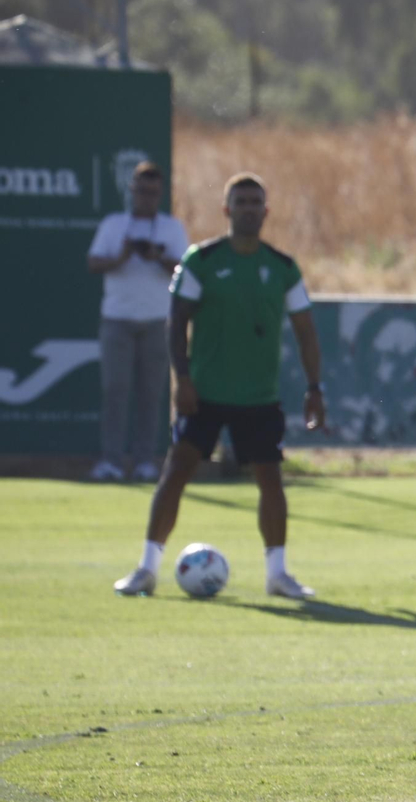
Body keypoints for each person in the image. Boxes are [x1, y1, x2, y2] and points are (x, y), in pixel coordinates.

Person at [113, 173, 324, 600]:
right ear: (226, 210)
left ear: (266, 212)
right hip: (205, 393)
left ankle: (278, 574)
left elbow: (306, 331)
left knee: (270, 480)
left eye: (255, 203)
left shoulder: (282, 268)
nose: (248, 209)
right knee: (176, 472)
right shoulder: (202, 260)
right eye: (240, 202)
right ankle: (146, 569)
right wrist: (182, 379)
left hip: (259, 396)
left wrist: (314, 387)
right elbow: (177, 323)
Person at [86, 161, 188, 483]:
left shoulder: (171, 228)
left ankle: (146, 460)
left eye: (152, 193)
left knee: (151, 393)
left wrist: (156, 257)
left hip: (157, 320)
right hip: (117, 319)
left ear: (160, 194)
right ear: (132, 191)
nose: (146, 198)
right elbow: (93, 262)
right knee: (115, 390)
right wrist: (122, 256)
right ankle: (111, 461)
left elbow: (184, 270)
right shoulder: (113, 225)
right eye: (141, 191)